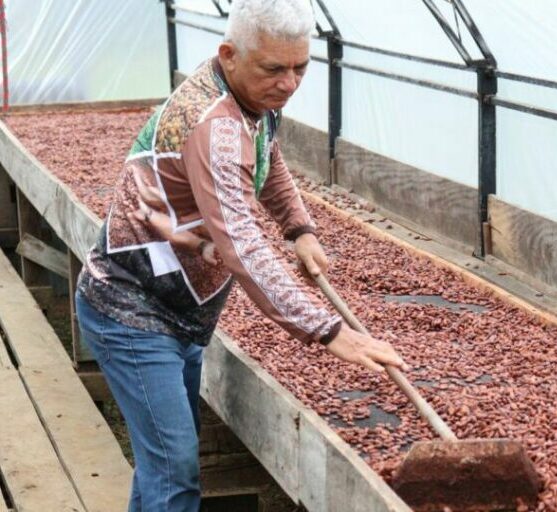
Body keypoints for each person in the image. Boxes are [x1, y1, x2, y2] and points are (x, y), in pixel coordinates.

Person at [74, 1, 407, 510]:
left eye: (301, 67)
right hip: (131, 310)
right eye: (274, 69)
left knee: (163, 461)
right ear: (228, 55)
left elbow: (269, 161)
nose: (290, 83)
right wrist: (326, 329)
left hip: (180, 309)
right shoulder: (214, 125)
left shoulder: (254, 103)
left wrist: (299, 229)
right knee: (176, 469)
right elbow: (243, 246)